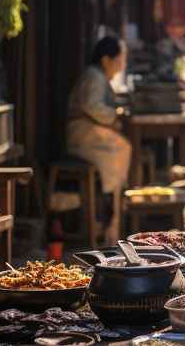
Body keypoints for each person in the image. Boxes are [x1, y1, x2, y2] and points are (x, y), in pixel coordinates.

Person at [66, 36, 131, 243]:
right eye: (119, 60)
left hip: (89, 130)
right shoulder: (94, 75)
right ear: (106, 59)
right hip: (81, 133)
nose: (121, 66)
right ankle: (109, 209)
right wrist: (114, 115)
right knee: (120, 148)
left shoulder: (99, 76)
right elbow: (92, 106)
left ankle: (111, 206)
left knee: (121, 147)